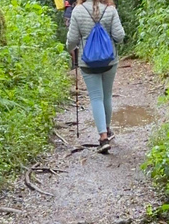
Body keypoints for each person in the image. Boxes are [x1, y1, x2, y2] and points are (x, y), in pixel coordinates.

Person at [66, 0, 125, 153]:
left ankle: (103, 137)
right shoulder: (110, 10)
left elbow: (71, 41)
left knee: (96, 98)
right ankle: (107, 128)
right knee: (106, 96)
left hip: (87, 63)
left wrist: (72, 49)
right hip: (109, 61)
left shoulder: (77, 11)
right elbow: (119, 36)